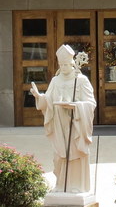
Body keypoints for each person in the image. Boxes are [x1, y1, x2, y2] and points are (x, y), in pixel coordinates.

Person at [31, 44, 97, 193]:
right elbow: (48, 100)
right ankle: (61, 185)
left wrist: (77, 106)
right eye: (61, 65)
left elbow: (91, 103)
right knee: (60, 156)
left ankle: (76, 185)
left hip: (76, 123)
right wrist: (39, 97)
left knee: (74, 155)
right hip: (59, 124)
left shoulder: (81, 80)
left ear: (72, 63)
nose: (64, 67)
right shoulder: (55, 80)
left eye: (66, 64)